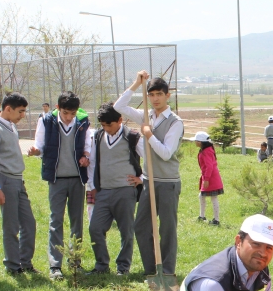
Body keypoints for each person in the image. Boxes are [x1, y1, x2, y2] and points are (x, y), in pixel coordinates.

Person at [114, 71, 184, 280]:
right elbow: (119, 107)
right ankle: (151, 268)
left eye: (159, 94)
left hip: (168, 182)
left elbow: (165, 153)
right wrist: (136, 83)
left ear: (167, 95)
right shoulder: (147, 114)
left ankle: (168, 270)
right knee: (141, 226)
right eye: (151, 94)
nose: (155, 98)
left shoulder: (175, 122)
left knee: (167, 228)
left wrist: (148, 134)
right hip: (148, 180)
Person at [27, 91, 92, 280]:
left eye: (72, 113)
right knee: (56, 221)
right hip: (56, 179)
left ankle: (75, 261)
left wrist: (86, 157)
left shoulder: (82, 121)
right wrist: (35, 150)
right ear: (57, 108)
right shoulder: (47, 121)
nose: (69, 117)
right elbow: (40, 144)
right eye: (65, 113)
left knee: (76, 221)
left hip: (77, 178)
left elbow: (87, 144)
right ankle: (55, 265)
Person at [85, 102, 142, 276]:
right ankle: (101, 265)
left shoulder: (132, 137)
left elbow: (149, 157)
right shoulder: (97, 137)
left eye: (109, 125)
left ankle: (123, 267)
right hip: (103, 190)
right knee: (95, 228)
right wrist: (92, 186)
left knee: (126, 231)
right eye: (102, 125)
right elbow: (93, 162)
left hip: (125, 190)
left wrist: (141, 178)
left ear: (120, 120)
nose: (106, 128)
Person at [0, 93, 38, 275]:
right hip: (5, 180)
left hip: (17, 180)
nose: (23, 115)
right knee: (11, 226)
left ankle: (25, 262)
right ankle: (13, 266)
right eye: (20, 111)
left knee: (29, 223)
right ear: (8, 109)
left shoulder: (11, 127)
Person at [192, 131, 224, 226]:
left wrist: (206, 179)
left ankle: (215, 219)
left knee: (211, 197)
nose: (195, 142)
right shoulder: (207, 150)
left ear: (200, 142)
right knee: (204, 196)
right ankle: (204, 216)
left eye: (196, 141)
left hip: (211, 178)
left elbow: (209, 166)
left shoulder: (206, 152)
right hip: (211, 176)